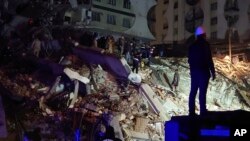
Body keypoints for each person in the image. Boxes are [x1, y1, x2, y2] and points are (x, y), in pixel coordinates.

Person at [188, 26, 216, 116]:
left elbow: (189, 60)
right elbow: (209, 59)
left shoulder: (192, 46)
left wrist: (193, 69)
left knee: (193, 92)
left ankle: (191, 112)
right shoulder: (205, 44)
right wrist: (213, 72)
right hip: (203, 72)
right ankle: (202, 111)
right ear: (204, 34)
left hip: (194, 73)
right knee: (202, 92)